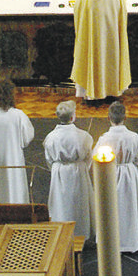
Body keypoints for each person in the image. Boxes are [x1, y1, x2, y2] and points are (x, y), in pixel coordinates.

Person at [70, 0, 132, 100]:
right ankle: (113, 90)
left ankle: (91, 92)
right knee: (112, 57)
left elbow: (78, 15)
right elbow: (123, 15)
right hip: (112, 41)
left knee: (91, 55)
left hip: (91, 39)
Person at [94, 101, 138, 253]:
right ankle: (130, 242)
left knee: (111, 207)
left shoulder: (104, 139)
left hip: (110, 174)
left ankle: (111, 242)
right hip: (129, 173)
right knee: (129, 207)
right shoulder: (134, 137)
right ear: (125, 117)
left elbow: (96, 157)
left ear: (108, 118)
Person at [43, 100, 93, 238]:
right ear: (73, 117)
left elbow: (49, 160)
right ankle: (81, 232)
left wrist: (56, 169)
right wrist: (84, 169)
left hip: (59, 172)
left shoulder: (51, 137)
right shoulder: (83, 136)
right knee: (79, 202)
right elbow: (88, 157)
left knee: (61, 202)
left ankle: (61, 232)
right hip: (78, 170)